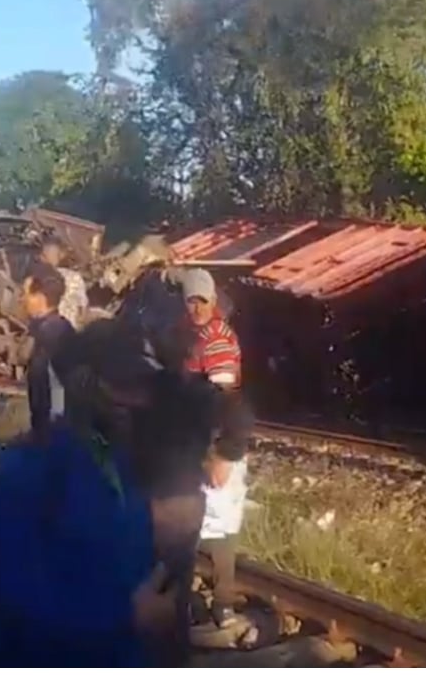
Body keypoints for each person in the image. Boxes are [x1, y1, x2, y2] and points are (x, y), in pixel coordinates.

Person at [0, 319, 217, 666]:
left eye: (143, 385)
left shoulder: (123, 467)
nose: (134, 400)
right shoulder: (31, 472)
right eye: (120, 384)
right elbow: (11, 596)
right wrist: (124, 616)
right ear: (81, 382)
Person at [181, 268, 251, 629]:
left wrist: (221, 454)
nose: (195, 307)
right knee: (205, 522)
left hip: (220, 448)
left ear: (212, 301)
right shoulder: (197, 337)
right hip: (206, 446)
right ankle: (202, 599)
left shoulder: (217, 341)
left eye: (201, 300)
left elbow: (229, 405)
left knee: (218, 525)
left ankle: (221, 604)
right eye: (190, 300)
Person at [21, 264, 76, 432]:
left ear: (40, 298)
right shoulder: (53, 326)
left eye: (26, 294)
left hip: (53, 424)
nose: (22, 299)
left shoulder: (51, 332)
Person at [29, 235, 89, 330]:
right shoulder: (75, 277)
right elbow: (82, 310)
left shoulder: (38, 278)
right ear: (61, 256)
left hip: (46, 330)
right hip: (68, 332)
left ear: (42, 257)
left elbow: (32, 310)